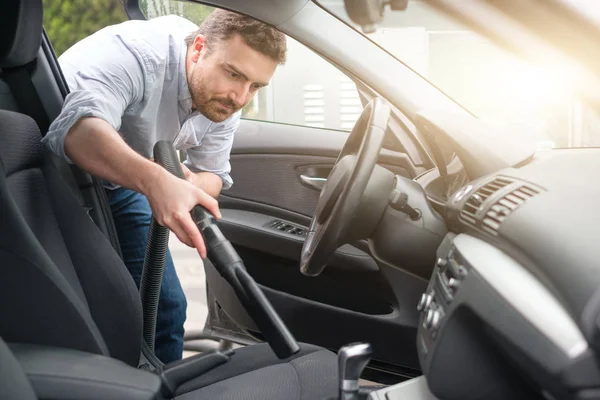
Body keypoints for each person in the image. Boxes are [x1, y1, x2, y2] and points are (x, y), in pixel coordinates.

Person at [42, 9, 287, 363]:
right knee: (94, 305)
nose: (240, 97)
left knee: (164, 308)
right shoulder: (138, 54)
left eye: (255, 86)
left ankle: (156, 384)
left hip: (121, 181)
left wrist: (185, 181)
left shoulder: (224, 98)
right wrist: (158, 181)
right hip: (48, 170)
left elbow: (214, 175)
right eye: (234, 74)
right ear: (199, 47)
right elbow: (77, 131)